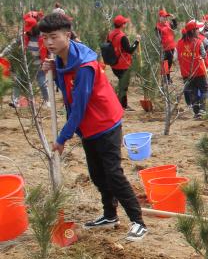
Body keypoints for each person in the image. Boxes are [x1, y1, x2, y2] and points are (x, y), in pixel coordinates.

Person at [38, 13, 147, 241]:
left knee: (113, 174)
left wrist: (62, 138)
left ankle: (138, 222)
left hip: (105, 123)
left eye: (53, 37)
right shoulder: (63, 59)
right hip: (88, 127)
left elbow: (79, 106)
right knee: (97, 175)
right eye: (45, 37)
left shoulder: (84, 66)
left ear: (67, 35)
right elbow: (66, 88)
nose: (49, 43)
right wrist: (56, 71)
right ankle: (110, 215)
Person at [106, 15, 140, 110]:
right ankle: (123, 105)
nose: (126, 24)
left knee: (122, 84)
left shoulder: (110, 34)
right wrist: (137, 41)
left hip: (114, 64)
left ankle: (120, 103)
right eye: (125, 23)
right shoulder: (122, 37)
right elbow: (130, 50)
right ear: (122, 25)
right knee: (124, 86)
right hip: (123, 65)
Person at [177, 21, 208, 119]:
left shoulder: (179, 43)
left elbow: (176, 56)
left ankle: (196, 113)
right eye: (196, 29)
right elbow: (203, 55)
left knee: (192, 92)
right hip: (198, 71)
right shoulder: (198, 42)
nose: (198, 31)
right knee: (204, 90)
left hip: (186, 73)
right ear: (192, 31)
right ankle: (203, 110)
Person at [155, 8, 177, 83]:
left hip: (171, 47)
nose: (165, 18)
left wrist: (174, 19)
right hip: (164, 49)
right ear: (160, 17)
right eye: (164, 17)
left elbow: (175, 27)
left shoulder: (168, 24)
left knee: (169, 63)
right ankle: (166, 79)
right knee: (165, 64)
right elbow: (158, 39)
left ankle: (167, 78)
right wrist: (160, 47)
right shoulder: (157, 27)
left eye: (166, 17)